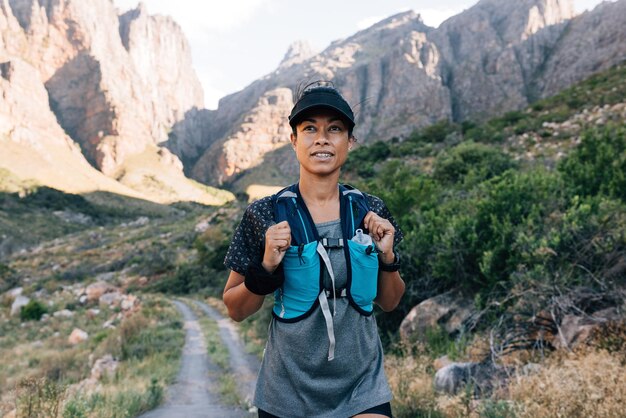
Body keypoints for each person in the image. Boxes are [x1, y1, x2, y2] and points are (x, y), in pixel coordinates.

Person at [223, 81, 405, 418]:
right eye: (310, 129)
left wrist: (387, 257)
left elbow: (390, 301)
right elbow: (235, 308)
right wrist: (265, 268)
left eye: (334, 129)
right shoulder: (264, 214)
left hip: (361, 387)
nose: (322, 138)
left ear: (350, 141)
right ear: (294, 141)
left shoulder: (371, 212)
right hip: (286, 393)